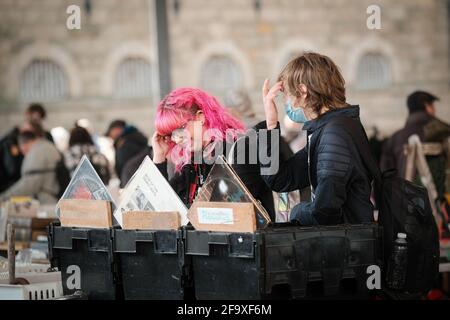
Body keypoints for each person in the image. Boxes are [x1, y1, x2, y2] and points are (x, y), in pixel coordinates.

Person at [259, 52, 374, 225]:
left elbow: (324, 212)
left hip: (348, 245)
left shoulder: (335, 134)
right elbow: (280, 179)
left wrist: (296, 211)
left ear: (303, 91)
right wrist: (271, 124)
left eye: (288, 94)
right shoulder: (329, 129)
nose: (288, 102)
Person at [152, 87, 276, 219]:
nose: (177, 139)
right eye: (171, 135)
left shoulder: (240, 149)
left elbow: (230, 212)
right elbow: (163, 208)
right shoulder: (192, 162)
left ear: (200, 117)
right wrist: (159, 158)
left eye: (180, 130)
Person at [0, 130, 61, 203]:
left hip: (46, 203)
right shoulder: (47, 146)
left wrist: (3, 197)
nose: (23, 153)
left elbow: (28, 184)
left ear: (23, 145)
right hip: (53, 198)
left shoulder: (36, 153)